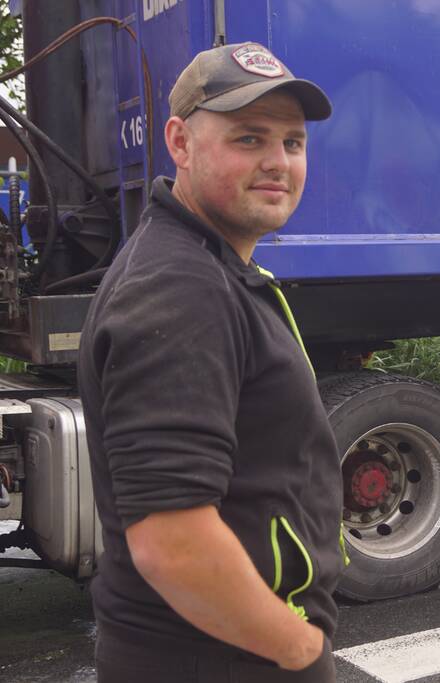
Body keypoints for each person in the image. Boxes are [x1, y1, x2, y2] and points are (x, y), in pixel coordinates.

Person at [78, 43, 343, 682]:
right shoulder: (181, 288)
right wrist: (297, 648)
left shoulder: (206, 268)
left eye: (293, 143)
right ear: (180, 141)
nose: (278, 162)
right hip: (216, 660)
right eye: (249, 138)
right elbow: (173, 544)